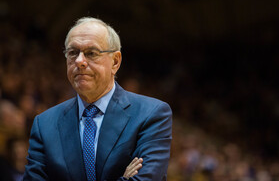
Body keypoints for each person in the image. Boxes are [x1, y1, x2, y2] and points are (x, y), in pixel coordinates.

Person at [23, 17, 172, 181]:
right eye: (72, 53)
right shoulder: (44, 124)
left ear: (115, 62)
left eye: (91, 53)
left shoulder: (151, 114)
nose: (79, 61)